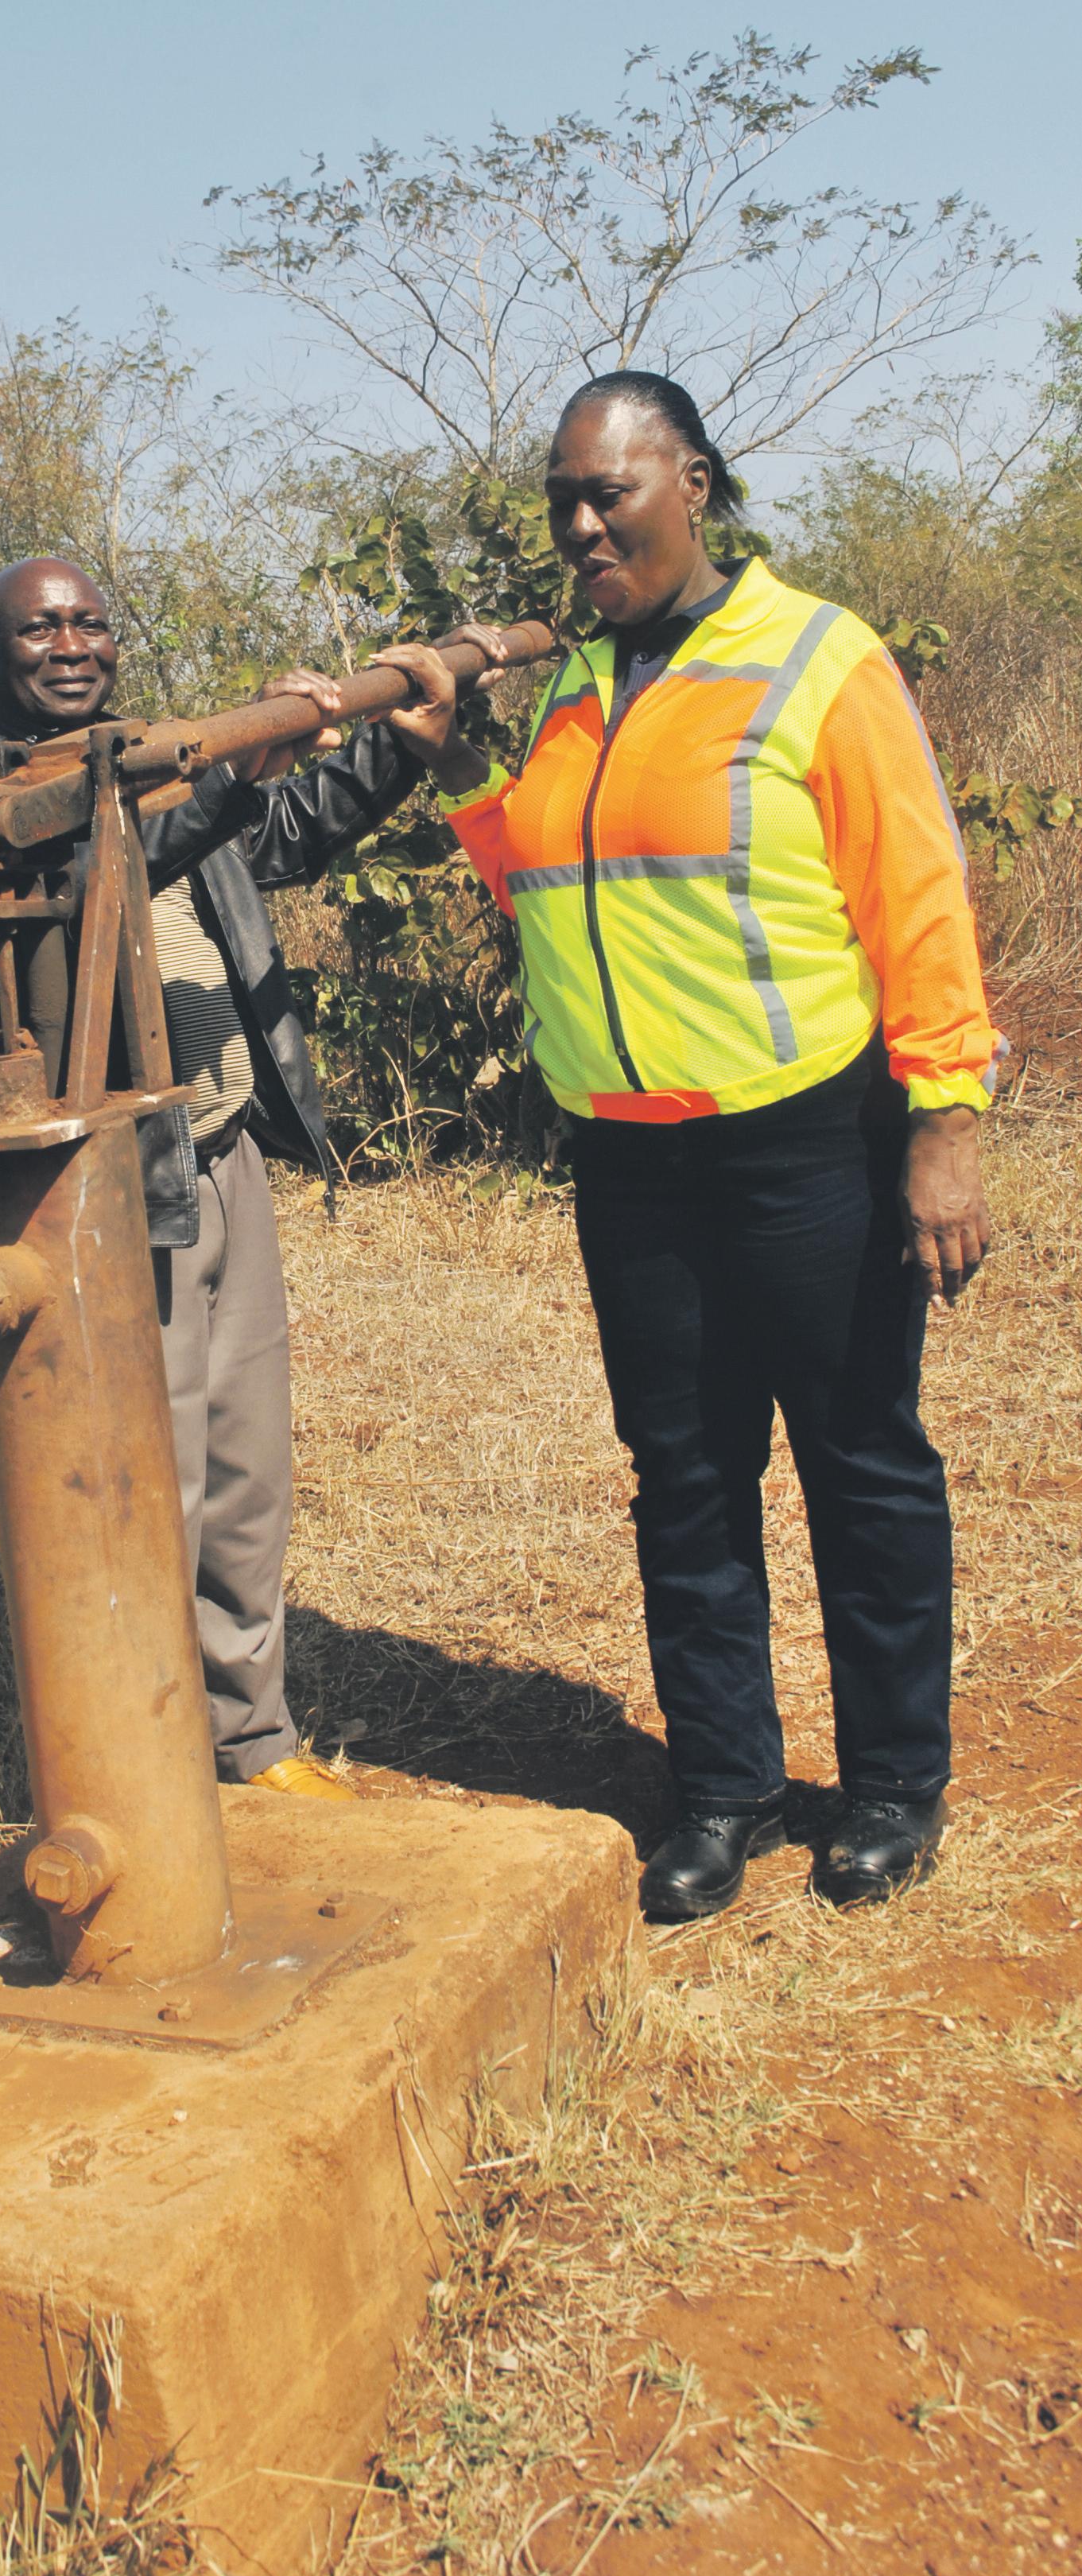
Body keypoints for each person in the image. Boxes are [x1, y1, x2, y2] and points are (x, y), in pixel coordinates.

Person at [379, 373, 997, 1921]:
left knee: (860, 1464)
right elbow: (548, 877)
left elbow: (916, 899)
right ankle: (721, 1790)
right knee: (686, 1483)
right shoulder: (584, 682)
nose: (585, 523)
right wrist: (467, 767)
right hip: (632, 1168)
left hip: (810, 1151)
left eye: (615, 491)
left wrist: (943, 1127)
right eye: (565, 501)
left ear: (698, 485)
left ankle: (892, 1788)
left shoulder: (814, 660)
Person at [0, 558, 421, 1797]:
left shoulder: (151, 756)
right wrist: (233, 770)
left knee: (244, 1464)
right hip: (114, 1178)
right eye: (38, 627)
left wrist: (390, 738)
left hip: (219, 1148)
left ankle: (249, 1736)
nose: (69, 644)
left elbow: (272, 832)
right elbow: (92, 860)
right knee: (152, 1467)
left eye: (87, 622)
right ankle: (153, 1760)